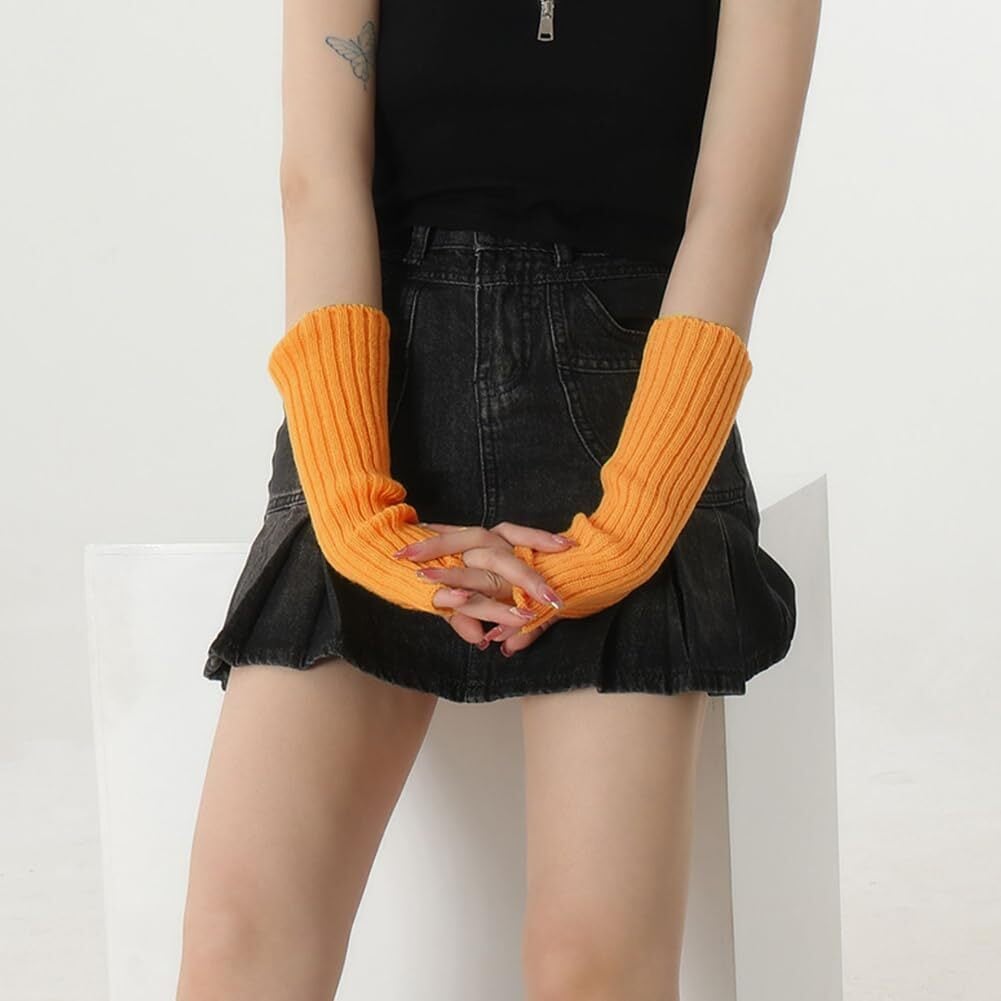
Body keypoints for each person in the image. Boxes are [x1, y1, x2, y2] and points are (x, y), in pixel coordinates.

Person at [177, 0, 820, 997]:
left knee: (588, 964)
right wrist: (350, 507)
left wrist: (632, 525)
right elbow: (317, 181)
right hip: (374, 406)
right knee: (238, 937)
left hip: (630, 411)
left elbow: (736, 211)